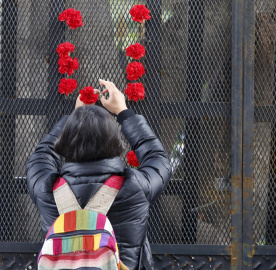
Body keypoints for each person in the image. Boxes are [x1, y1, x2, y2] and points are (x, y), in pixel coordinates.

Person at [27, 79, 172, 270]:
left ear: (66, 140)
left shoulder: (47, 189)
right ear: (114, 140)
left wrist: (74, 118)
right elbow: (158, 159)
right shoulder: (134, 187)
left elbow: (41, 156)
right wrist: (124, 113)